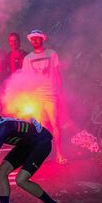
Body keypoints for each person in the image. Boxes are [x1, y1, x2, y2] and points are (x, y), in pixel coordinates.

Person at [21, 29, 66, 164]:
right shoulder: (28, 58)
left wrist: (60, 92)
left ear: (42, 39)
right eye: (32, 39)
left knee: (54, 124)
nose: (34, 40)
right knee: (40, 126)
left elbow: (57, 74)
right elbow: (25, 79)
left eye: (37, 38)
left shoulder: (52, 54)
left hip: (50, 94)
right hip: (36, 96)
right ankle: (41, 154)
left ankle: (59, 154)